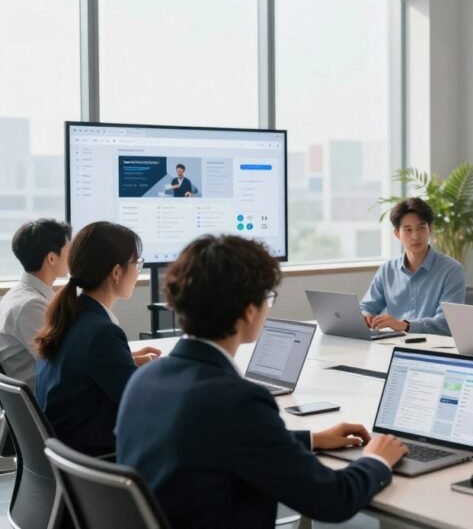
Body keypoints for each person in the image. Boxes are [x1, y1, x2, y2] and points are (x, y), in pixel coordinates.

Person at [116, 235, 407, 528]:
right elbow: (333, 500)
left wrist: (311, 439)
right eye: (267, 297)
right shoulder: (237, 401)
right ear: (249, 310)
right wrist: (376, 460)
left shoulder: (143, 378)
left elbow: (214, 442)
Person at [34, 221, 161, 456]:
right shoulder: (101, 332)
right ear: (116, 272)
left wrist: (127, 361)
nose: (138, 270)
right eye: (137, 263)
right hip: (98, 460)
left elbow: (83, 367)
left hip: (70, 457)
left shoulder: (72, 316)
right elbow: (142, 404)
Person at [360, 197, 466, 334]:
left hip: (435, 348)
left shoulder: (452, 270)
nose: (416, 236)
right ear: (397, 234)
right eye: (408, 230)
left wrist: (405, 325)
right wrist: (366, 316)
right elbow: (366, 306)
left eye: (421, 228)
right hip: (394, 345)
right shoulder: (387, 270)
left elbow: (447, 322)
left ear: (430, 229)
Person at [0, 219, 71, 391]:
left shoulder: (26, 295)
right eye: (69, 249)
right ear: (52, 258)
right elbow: (64, 363)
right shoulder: (30, 306)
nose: (73, 255)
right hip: (49, 403)